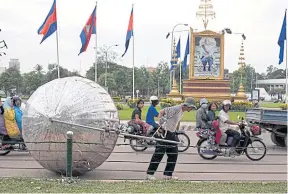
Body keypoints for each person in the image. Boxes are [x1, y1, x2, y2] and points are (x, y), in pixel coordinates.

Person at [146, 97, 197, 180]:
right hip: (164, 132)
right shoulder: (176, 108)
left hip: (172, 134)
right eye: (191, 107)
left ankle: (168, 175)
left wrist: (176, 130)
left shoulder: (182, 111)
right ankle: (150, 174)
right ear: (187, 105)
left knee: (173, 154)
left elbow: (176, 121)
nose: (191, 109)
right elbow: (161, 112)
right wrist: (160, 125)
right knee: (159, 154)